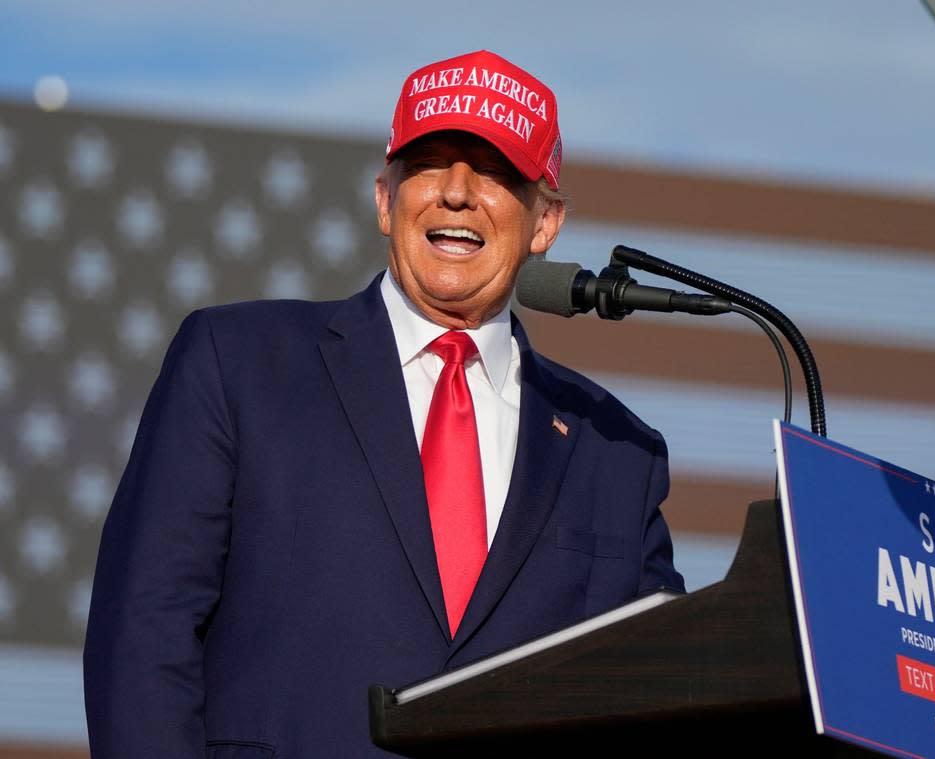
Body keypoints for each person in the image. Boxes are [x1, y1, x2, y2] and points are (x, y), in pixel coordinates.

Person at [83, 49, 684, 758]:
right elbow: (142, 634)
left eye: (493, 171)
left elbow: (665, 694)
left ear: (545, 223)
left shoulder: (615, 450)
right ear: (383, 199)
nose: (456, 191)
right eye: (429, 163)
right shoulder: (236, 363)